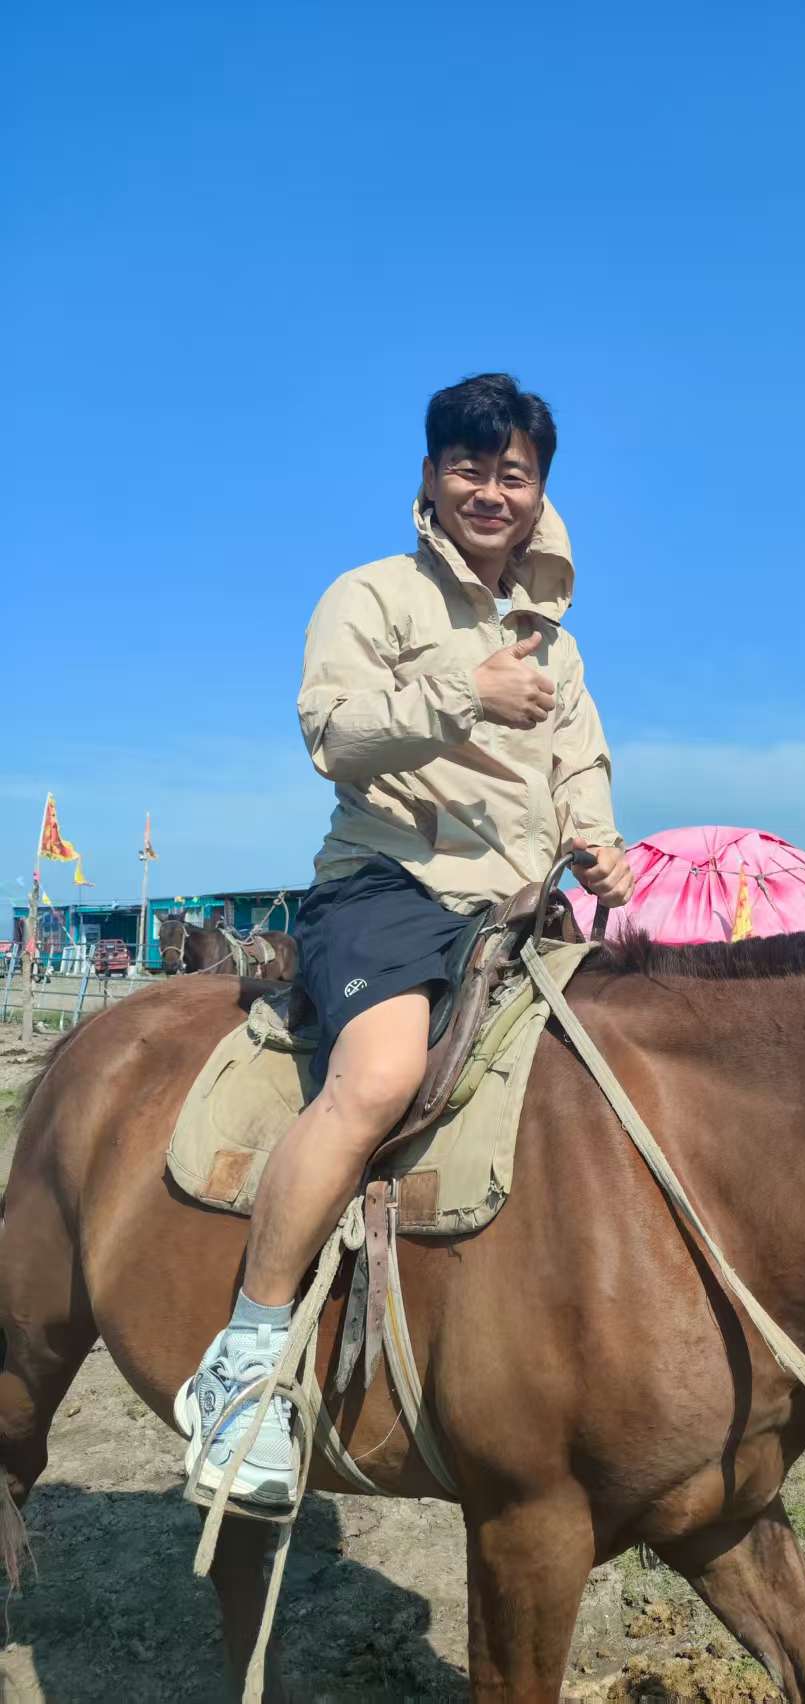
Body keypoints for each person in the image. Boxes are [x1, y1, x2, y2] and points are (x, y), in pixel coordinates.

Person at [176, 374, 634, 1503]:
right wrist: (462, 693)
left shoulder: (555, 644)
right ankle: (245, 1354)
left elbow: (577, 764)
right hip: (387, 885)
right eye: (469, 467)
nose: (490, 491)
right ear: (430, 476)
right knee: (379, 1076)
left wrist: (598, 843)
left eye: (513, 474)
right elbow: (332, 736)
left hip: (516, 905)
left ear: (539, 493)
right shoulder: (371, 594)